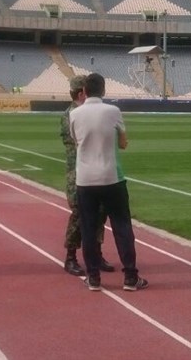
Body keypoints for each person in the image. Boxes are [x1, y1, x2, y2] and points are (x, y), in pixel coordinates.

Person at [69, 73, 147, 292]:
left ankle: (93, 277)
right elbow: (123, 143)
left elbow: (77, 142)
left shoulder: (74, 114)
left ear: (84, 91)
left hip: (85, 179)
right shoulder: (113, 111)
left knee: (88, 228)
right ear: (103, 91)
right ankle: (130, 277)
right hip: (112, 177)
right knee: (122, 227)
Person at [60, 75, 114, 276]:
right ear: (82, 92)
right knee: (79, 213)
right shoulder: (70, 115)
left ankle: (96, 254)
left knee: (100, 212)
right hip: (77, 172)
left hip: (94, 170)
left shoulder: (87, 112)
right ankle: (71, 257)